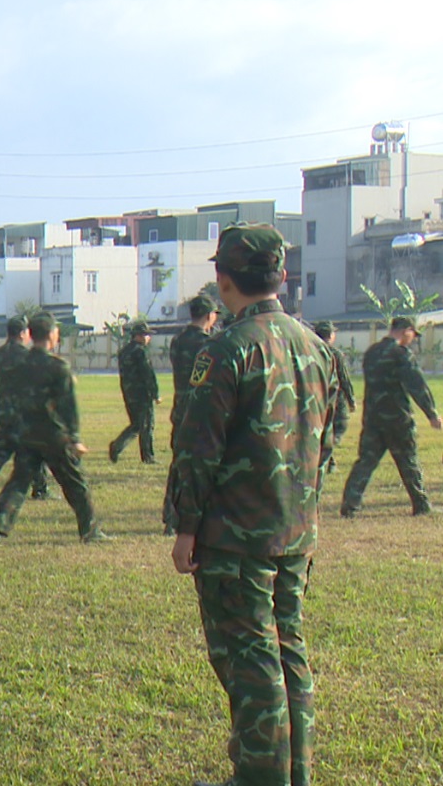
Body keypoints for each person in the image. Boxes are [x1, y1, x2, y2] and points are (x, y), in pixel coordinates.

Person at [169, 223, 330, 786]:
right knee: (288, 653)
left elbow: (197, 449)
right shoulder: (316, 348)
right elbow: (325, 442)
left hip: (236, 539)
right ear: (281, 277)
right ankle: (294, 772)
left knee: (251, 662)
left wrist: (186, 527)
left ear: (222, 278)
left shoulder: (226, 350)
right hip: (294, 531)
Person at [0, 313, 108, 545]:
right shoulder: (57, 366)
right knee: (76, 484)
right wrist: (75, 438)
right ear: (51, 335)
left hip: (27, 433)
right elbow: (69, 408)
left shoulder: (20, 365)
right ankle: (90, 531)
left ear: (30, 335)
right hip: (53, 436)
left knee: (18, 484)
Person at [339, 315, 442, 517]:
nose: (413, 339)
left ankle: (349, 505)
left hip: (373, 419)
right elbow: (417, 385)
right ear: (406, 331)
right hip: (398, 420)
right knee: (408, 462)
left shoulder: (371, 353)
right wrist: (431, 414)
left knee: (365, 463)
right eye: (413, 334)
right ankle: (421, 505)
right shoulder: (400, 354)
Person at [0, 316, 49, 502]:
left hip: (3, 411)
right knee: (36, 451)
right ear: (22, 333)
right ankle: (40, 489)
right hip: (24, 413)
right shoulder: (27, 356)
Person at [162, 297, 218, 533]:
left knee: (179, 465)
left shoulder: (177, 341)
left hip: (180, 407)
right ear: (209, 316)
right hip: (201, 411)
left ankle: (170, 517)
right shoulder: (209, 343)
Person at [108, 321, 160, 464]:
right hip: (142, 394)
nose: (149, 338)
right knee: (146, 425)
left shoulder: (124, 352)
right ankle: (148, 456)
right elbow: (148, 374)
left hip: (128, 392)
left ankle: (117, 446)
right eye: (147, 335)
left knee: (136, 424)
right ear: (140, 336)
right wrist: (155, 393)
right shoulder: (140, 352)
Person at [312, 321, 356, 475]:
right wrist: (351, 400)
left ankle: (328, 461)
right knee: (339, 428)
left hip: (314, 399)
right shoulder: (335, 353)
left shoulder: (309, 351)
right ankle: (326, 460)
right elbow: (343, 378)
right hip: (335, 399)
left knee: (322, 430)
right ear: (331, 335)